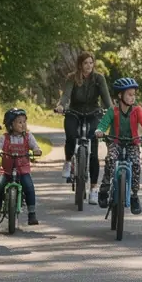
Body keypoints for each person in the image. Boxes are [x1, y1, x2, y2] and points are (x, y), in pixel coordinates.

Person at [54, 51, 111, 199]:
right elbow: (66, 95)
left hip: (93, 113)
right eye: (86, 63)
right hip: (74, 111)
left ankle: (93, 189)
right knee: (71, 136)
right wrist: (61, 105)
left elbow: (106, 99)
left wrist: (112, 111)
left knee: (94, 150)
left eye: (91, 63)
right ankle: (68, 161)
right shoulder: (72, 78)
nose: (89, 66)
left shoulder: (99, 79)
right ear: (80, 64)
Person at [96, 78, 142, 214]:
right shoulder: (113, 110)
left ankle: (134, 195)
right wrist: (99, 131)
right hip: (115, 142)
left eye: (134, 94)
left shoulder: (137, 110)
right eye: (129, 94)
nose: (132, 97)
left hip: (132, 143)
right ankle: (104, 189)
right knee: (110, 159)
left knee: (136, 164)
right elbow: (103, 124)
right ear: (120, 95)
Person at [0, 108, 43, 227]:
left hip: (23, 171)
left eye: (24, 121)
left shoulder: (28, 137)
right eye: (19, 122)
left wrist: (36, 150)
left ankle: (32, 213)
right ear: (10, 124)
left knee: (29, 186)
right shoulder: (5, 138)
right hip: (7, 171)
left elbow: (35, 146)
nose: (23, 124)